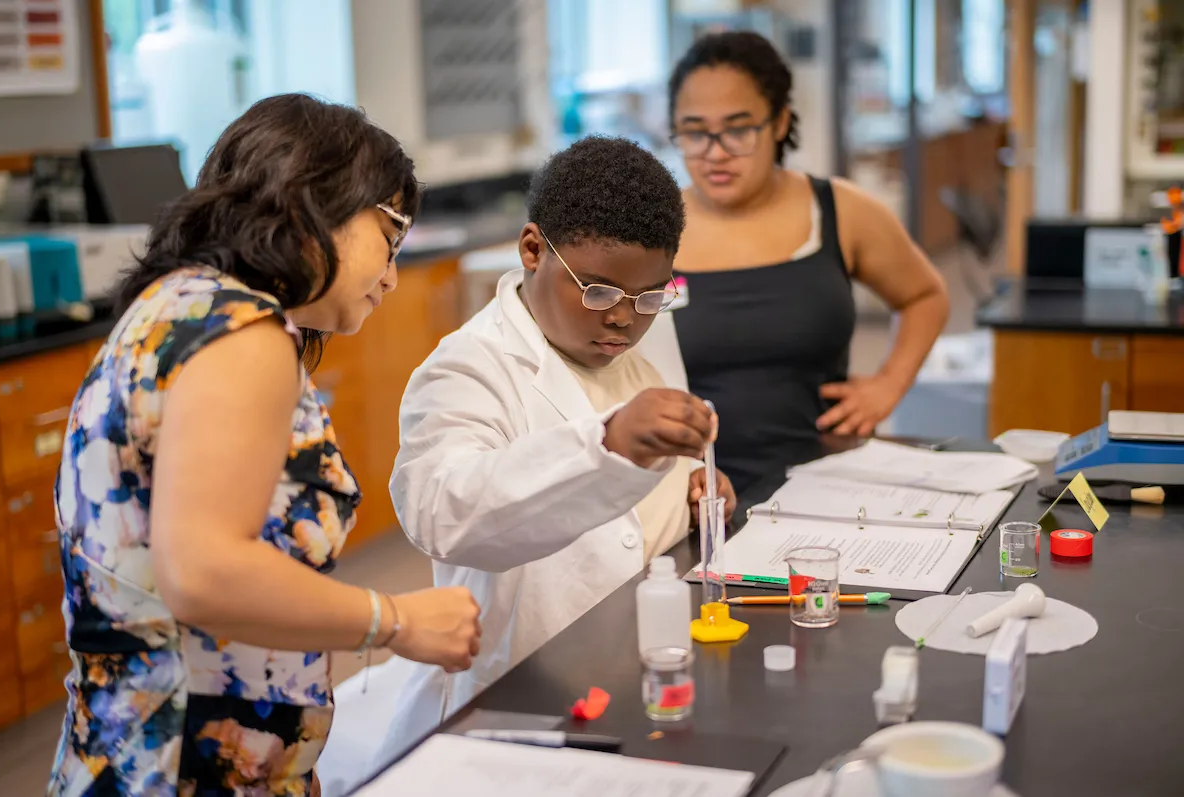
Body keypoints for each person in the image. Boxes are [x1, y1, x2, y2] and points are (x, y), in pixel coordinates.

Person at [48, 94, 481, 797]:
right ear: (320, 201)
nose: (392, 275)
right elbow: (205, 571)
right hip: (188, 764)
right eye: (390, 236)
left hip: (135, 748)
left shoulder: (175, 306)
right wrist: (394, 620)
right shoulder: (241, 334)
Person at [384, 135, 736, 749]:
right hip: (527, 687)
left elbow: (636, 511)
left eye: (651, 295)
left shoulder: (639, 327)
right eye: (598, 291)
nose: (624, 319)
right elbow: (442, 512)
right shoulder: (466, 369)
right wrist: (609, 445)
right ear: (531, 250)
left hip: (651, 659)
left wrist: (694, 492)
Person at [667, 32, 950, 495]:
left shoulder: (840, 210)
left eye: (737, 129)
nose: (715, 152)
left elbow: (925, 295)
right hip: (690, 495)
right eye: (695, 132)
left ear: (779, 122)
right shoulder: (653, 230)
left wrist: (887, 385)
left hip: (825, 482)